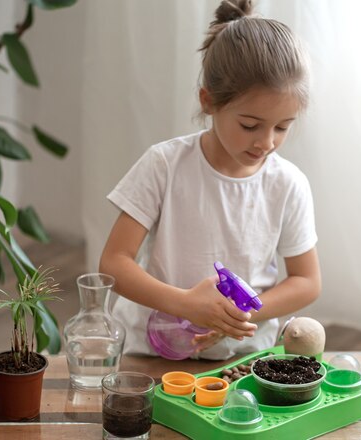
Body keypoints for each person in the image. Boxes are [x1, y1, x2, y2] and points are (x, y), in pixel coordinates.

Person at [99, 0, 321, 360]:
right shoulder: (164, 165)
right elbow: (114, 263)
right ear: (208, 102)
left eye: (282, 127)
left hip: (242, 357)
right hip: (154, 351)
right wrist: (186, 304)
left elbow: (307, 281)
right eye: (250, 125)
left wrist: (242, 312)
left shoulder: (288, 184)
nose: (266, 142)